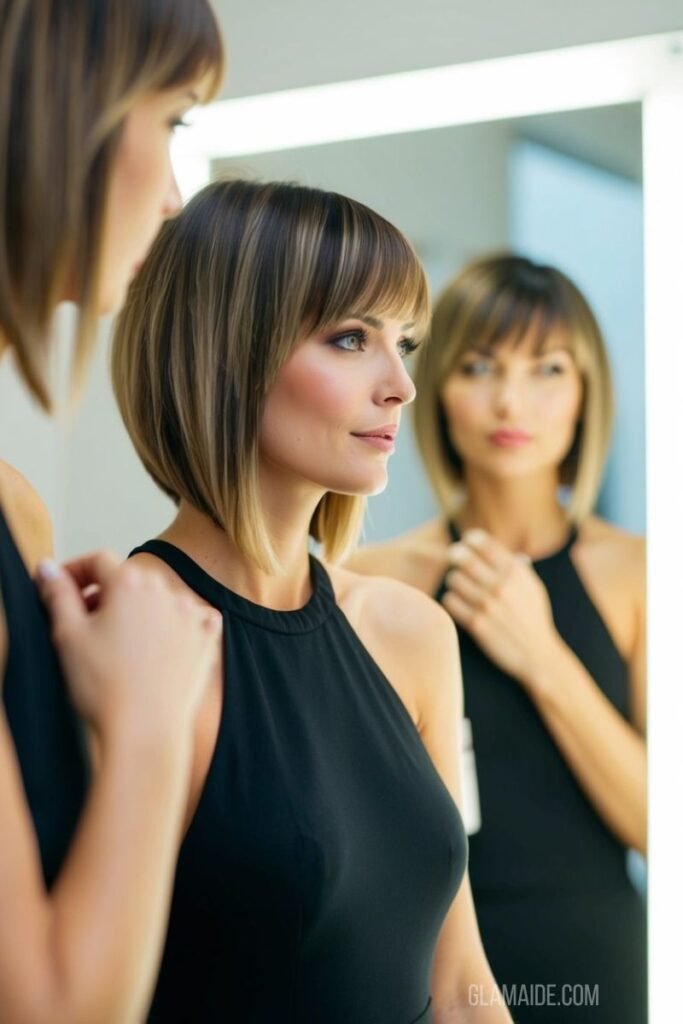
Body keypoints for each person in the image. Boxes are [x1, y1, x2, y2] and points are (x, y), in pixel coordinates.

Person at [111, 178, 514, 1024]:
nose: (400, 385)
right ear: (226, 352)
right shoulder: (120, 637)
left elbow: (461, 981)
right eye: (349, 338)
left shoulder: (411, 633)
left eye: (402, 340)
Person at [347, 253, 647, 1022]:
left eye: (547, 369)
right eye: (480, 367)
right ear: (437, 386)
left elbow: (660, 826)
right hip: (417, 965)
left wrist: (541, 655)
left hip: (591, 966)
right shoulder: (373, 578)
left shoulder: (637, 575)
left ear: (585, 395)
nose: (510, 401)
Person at [0, 4, 226, 1022]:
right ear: (60, 108)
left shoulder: (19, 510)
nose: (178, 199)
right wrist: (148, 717)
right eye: (174, 121)